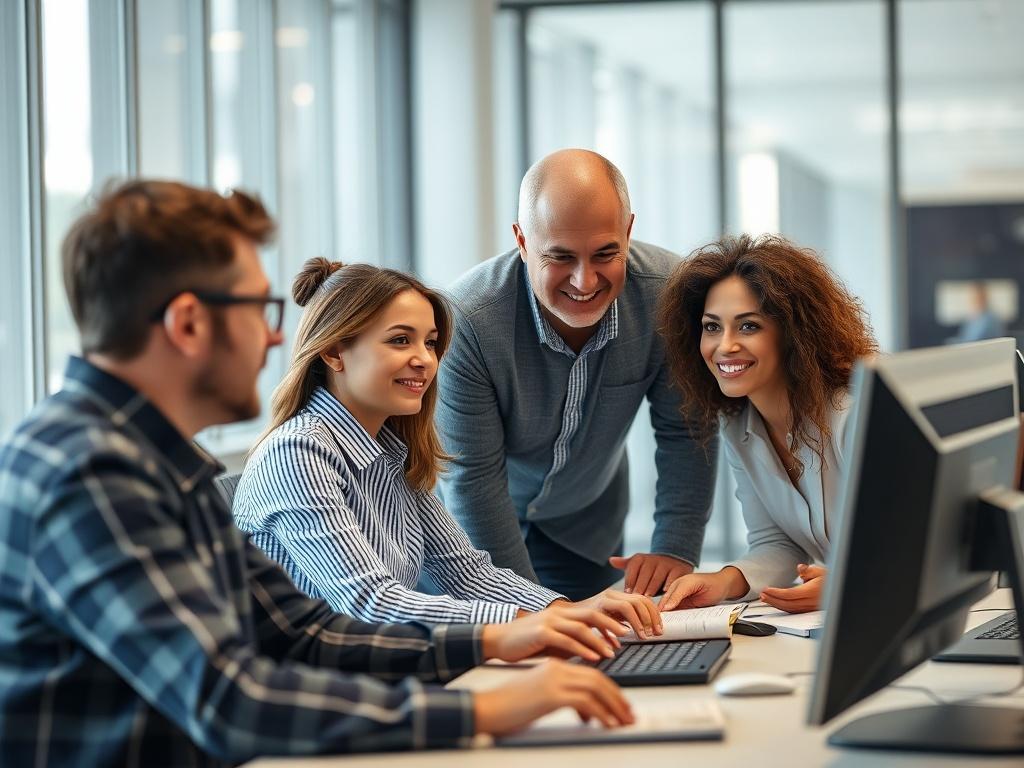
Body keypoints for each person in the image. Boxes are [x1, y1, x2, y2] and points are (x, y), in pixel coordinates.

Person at [0, 180, 636, 766]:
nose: (278, 338)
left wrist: (496, 642)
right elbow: (228, 697)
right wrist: (484, 705)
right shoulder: (88, 468)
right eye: (260, 307)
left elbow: (305, 632)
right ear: (190, 322)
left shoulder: (162, 461)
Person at [233, 258, 662, 637]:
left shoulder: (391, 453)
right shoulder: (297, 452)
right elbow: (371, 605)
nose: (425, 359)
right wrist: (529, 625)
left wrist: (567, 610)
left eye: (430, 342)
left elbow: (467, 573)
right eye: (400, 340)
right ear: (333, 352)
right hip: (315, 700)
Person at [436, 148, 716, 601]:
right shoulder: (467, 320)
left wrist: (676, 548)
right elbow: (472, 479)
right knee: (502, 659)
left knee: (601, 656)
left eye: (606, 253)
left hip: (585, 528)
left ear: (628, 232)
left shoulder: (668, 296)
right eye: (561, 258)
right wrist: (537, 610)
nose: (585, 282)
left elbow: (687, 431)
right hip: (469, 529)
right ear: (523, 242)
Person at [657, 234, 877, 614]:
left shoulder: (854, 413)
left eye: (748, 327)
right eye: (712, 327)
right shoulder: (738, 426)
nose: (724, 346)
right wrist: (721, 581)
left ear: (794, 334)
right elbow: (776, 543)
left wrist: (849, 583)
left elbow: (910, 541)